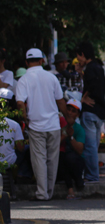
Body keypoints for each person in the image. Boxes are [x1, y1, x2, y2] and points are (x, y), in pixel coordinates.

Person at [15, 48, 68, 201]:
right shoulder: (51, 78)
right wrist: (68, 119)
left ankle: (42, 193)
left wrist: (25, 119)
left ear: (26, 62)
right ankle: (49, 192)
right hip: (53, 124)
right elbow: (60, 101)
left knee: (39, 159)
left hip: (36, 125)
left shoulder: (23, 79)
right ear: (42, 60)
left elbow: (20, 103)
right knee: (52, 159)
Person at [75, 42, 105, 183]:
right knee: (94, 145)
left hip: (90, 112)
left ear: (82, 54)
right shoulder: (98, 67)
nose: (78, 60)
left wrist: (83, 98)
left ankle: (92, 175)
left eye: (78, 57)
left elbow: (91, 84)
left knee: (90, 146)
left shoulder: (90, 69)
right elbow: (93, 83)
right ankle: (93, 175)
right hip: (99, 111)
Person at [57, 99, 86, 200]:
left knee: (69, 158)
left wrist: (70, 137)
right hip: (62, 160)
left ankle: (78, 181)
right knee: (61, 158)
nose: (69, 113)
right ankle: (70, 188)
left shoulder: (79, 129)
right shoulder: (59, 123)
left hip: (75, 162)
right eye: (68, 110)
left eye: (73, 111)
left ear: (77, 115)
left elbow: (80, 150)